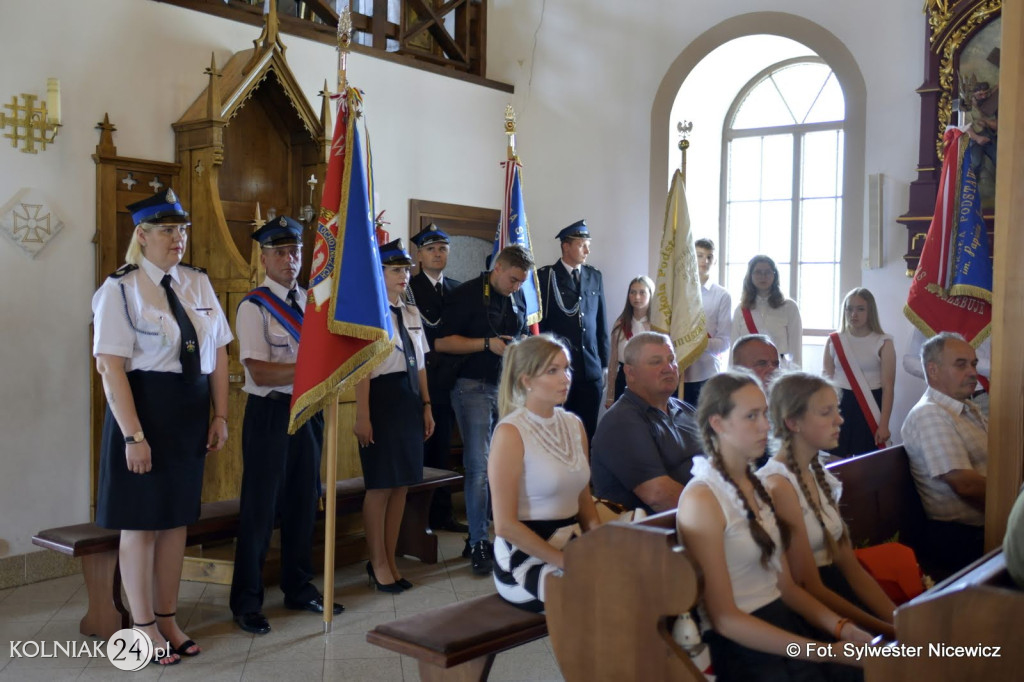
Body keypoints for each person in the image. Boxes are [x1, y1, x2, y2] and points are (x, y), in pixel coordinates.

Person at [92, 189, 232, 665]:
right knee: (140, 524)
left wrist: (220, 415)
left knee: (176, 522)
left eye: (183, 229)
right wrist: (133, 435)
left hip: (189, 415)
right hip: (143, 414)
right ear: (142, 235)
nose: (179, 238)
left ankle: (168, 618)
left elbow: (219, 353)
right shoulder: (120, 289)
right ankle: (143, 625)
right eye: (169, 230)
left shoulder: (196, 282)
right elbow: (111, 368)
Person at [676, 371, 871, 681]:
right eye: (751, 416)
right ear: (718, 423)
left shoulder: (757, 487)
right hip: (741, 645)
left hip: (781, 623)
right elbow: (724, 618)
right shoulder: (703, 499)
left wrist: (842, 627)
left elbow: (786, 587)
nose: (766, 426)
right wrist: (825, 651)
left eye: (765, 414)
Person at [230, 216, 341, 636]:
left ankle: (298, 587)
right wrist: (310, 369)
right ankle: (247, 602)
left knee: (302, 502)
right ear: (264, 257)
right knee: (260, 511)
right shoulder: (254, 306)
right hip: (270, 415)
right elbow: (258, 372)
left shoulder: (313, 303)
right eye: (280, 252)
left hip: (307, 412)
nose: (290, 259)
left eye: (295, 251)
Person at [760, 372, 896, 639]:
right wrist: (888, 632)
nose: (840, 420)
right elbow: (808, 585)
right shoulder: (777, 485)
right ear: (793, 422)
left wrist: (900, 618)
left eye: (837, 410)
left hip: (839, 596)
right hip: (810, 614)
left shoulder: (818, 473)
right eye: (826, 412)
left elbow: (851, 568)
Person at [436, 245, 533, 574]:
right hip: (472, 386)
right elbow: (441, 342)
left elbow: (518, 332)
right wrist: (486, 344)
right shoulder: (467, 294)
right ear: (498, 268)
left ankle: (503, 537)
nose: (517, 287)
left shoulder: (516, 296)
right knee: (478, 468)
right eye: (513, 279)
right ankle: (478, 540)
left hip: (507, 388)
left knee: (505, 467)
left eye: (521, 282)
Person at [489, 334, 601, 611]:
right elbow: (504, 525)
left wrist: (601, 547)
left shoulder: (574, 424)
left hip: (569, 541)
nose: (566, 378)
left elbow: (584, 501)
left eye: (567, 368)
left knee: (632, 574)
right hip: (523, 555)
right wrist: (565, 562)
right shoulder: (510, 432)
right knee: (596, 596)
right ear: (526, 381)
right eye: (553, 370)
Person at [354, 238, 435, 592]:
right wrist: (363, 415)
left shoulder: (412, 312)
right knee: (380, 485)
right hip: (381, 400)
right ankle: (377, 562)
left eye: (406, 269)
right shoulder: (368, 314)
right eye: (396, 270)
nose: (404, 275)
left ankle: (390, 559)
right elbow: (362, 370)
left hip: (409, 401)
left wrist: (427, 406)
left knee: (402, 485)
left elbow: (420, 366)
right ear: (379, 273)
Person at [901, 332, 987, 575]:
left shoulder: (967, 408)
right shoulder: (930, 414)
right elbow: (964, 485)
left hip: (986, 529)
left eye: (973, 364)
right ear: (933, 370)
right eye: (961, 364)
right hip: (961, 540)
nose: (972, 372)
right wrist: (1015, 501)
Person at [591, 332, 703, 514]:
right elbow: (659, 496)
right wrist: (720, 515)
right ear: (630, 372)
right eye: (656, 362)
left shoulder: (685, 409)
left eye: (671, 359)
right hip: (654, 533)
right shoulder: (621, 422)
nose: (668, 368)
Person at [408, 223, 467, 534]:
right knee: (420, 451)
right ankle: (418, 517)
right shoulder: (408, 288)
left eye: (443, 248)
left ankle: (443, 513)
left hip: (448, 382)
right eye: (431, 249)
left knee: (443, 451)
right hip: (420, 382)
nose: (437, 254)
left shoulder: (458, 290)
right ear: (419, 255)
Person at [537, 220, 609, 442]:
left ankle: (585, 476)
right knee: (559, 432)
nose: (587, 250)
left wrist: (604, 364)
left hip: (590, 370)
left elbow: (600, 322)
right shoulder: (546, 277)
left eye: (588, 244)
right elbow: (541, 326)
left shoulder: (593, 276)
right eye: (581, 244)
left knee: (587, 434)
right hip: (560, 370)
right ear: (565, 246)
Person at [822, 288, 896, 457]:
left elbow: (888, 387)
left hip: (870, 404)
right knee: (835, 460)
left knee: (866, 462)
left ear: (870, 311)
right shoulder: (834, 340)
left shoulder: (883, 342)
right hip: (839, 404)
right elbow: (825, 383)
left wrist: (884, 424)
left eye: (860, 309)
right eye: (849, 308)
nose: (854, 314)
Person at [682, 238, 732, 406]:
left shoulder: (722, 295)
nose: (705, 261)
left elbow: (725, 342)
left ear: (715, 260)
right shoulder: (678, 292)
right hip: (679, 372)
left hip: (707, 373)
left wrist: (697, 343)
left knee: (703, 428)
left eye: (709, 257)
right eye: (700, 256)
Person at [731, 255, 803, 368]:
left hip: (779, 371)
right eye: (758, 272)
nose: (763, 276)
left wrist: (796, 378)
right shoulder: (741, 309)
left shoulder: (789, 307)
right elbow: (734, 349)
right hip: (749, 372)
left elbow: (795, 349)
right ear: (750, 276)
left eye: (768, 272)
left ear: (775, 275)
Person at [604, 275, 653, 408]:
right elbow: (613, 361)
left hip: (649, 381)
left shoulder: (656, 326)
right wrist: (610, 395)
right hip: (624, 380)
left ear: (650, 294)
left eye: (642, 292)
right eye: (633, 292)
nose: (637, 297)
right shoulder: (620, 325)